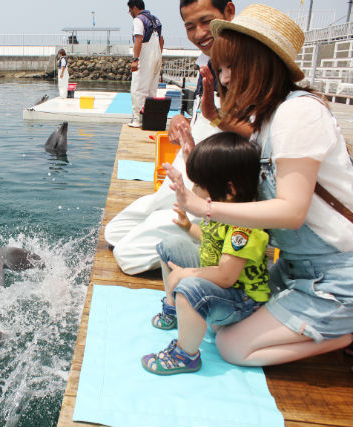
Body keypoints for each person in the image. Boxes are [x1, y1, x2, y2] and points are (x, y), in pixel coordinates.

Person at [166, 4, 353, 367]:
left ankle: (345, 330)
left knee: (232, 346)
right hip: (297, 270)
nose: (223, 79)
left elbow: (292, 211)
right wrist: (205, 127)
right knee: (222, 323)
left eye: (229, 67)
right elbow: (244, 157)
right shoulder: (272, 118)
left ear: (259, 62)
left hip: (336, 278)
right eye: (220, 69)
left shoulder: (298, 114)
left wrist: (201, 207)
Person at [104, 0, 236, 275]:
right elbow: (206, 117)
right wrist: (180, 120)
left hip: (204, 191)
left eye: (206, 21)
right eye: (190, 25)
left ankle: (201, 251)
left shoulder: (241, 70)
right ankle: (163, 232)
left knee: (127, 257)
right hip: (183, 175)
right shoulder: (209, 61)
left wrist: (196, 150)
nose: (199, 32)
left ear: (228, 13)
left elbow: (237, 149)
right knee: (113, 233)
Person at [142, 132, 269, 375]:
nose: (195, 191)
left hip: (241, 299)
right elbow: (210, 240)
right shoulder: (223, 210)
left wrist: (187, 274)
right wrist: (189, 228)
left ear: (229, 190)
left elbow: (226, 277)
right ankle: (176, 310)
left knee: (190, 287)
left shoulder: (243, 226)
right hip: (220, 279)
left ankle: (185, 354)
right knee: (169, 245)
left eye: (200, 185)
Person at [127, 0, 164, 128]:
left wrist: (135, 59)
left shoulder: (139, 20)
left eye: (130, 10)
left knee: (138, 87)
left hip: (145, 56)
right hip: (157, 55)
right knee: (152, 90)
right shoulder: (155, 19)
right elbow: (161, 40)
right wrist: (158, 55)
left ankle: (137, 119)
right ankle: (150, 119)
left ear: (135, 8)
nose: (130, 13)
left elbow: (139, 39)